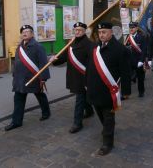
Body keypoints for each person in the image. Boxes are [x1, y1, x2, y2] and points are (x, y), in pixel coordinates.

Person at [86, 22, 131, 156]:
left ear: (111, 33)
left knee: (108, 116)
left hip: (108, 91)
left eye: (104, 32)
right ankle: (106, 128)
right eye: (99, 33)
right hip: (94, 89)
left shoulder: (120, 49)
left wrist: (127, 91)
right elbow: (89, 67)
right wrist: (86, 83)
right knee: (100, 113)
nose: (101, 35)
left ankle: (107, 143)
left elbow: (125, 72)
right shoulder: (95, 48)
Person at [50, 22, 94, 134]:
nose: (77, 31)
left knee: (79, 99)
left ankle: (77, 123)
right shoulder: (71, 44)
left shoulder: (90, 45)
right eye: (75, 30)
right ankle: (89, 111)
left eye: (80, 30)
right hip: (73, 75)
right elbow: (64, 57)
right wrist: (55, 60)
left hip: (84, 77)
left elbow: (93, 63)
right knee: (82, 96)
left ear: (85, 31)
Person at [5, 25, 51, 131]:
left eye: (27, 31)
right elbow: (17, 61)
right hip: (20, 79)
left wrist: (43, 78)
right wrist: (14, 74)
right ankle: (16, 122)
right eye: (23, 32)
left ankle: (46, 112)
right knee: (18, 99)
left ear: (32, 33)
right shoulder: (19, 47)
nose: (25, 33)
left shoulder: (38, 46)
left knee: (40, 95)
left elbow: (43, 63)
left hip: (33, 77)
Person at [125, 21, 147, 97]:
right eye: (130, 27)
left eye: (133, 27)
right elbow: (125, 48)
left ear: (137, 28)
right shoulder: (128, 36)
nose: (131, 29)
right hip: (129, 61)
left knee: (140, 78)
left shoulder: (141, 37)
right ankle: (126, 93)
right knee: (127, 78)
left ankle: (141, 92)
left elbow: (144, 50)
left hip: (138, 60)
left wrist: (141, 60)